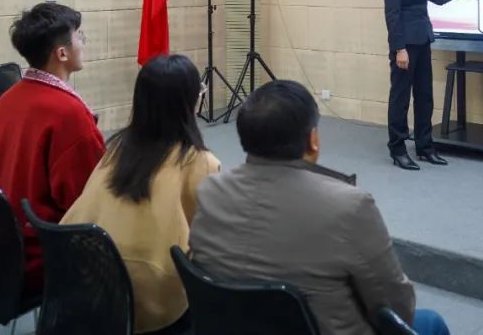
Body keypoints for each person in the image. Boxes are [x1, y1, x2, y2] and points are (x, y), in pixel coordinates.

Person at [189, 80, 450, 335]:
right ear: (313, 140)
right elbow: (398, 309)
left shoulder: (210, 191)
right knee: (431, 323)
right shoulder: (349, 207)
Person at [63, 54, 220, 334]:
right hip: (157, 304)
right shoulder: (200, 162)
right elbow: (211, 246)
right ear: (190, 102)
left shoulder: (117, 148)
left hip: (94, 287)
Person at [0, 2, 106, 296]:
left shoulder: (8, 98)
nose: (83, 43)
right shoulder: (69, 114)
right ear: (62, 53)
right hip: (42, 253)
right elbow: (90, 200)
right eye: (79, 37)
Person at [382, 0, 482, 170]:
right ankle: (397, 149)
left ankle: (425, 147)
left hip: (423, 41)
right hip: (405, 46)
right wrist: (399, 49)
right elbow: (393, 15)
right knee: (400, 98)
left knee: (424, 96)